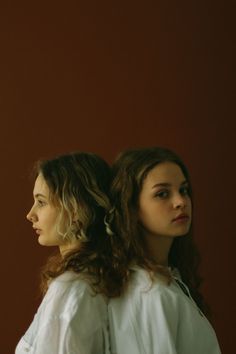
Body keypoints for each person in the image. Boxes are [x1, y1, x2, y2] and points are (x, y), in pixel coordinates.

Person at [108, 147, 221, 354]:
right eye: (162, 194)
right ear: (131, 207)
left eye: (184, 190)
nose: (181, 202)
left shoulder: (166, 280)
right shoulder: (149, 293)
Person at [15, 151, 120, 354]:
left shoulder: (73, 288)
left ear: (74, 208)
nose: (30, 215)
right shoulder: (97, 278)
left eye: (42, 202)